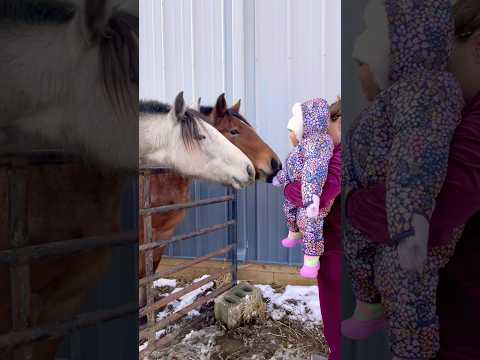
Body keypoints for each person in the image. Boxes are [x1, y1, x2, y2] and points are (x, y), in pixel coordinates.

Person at [346, 1, 480, 358]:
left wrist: (352, 203)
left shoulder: (442, 99)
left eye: (450, 51)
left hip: (464, 330)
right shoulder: (445, 102)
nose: (443, 62)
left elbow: (435, 207)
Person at [283, 97, 342, 360]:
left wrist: (288, 188)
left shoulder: (341, 155)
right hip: (329, 248)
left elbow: (317, 193)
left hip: (341, 249)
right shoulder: (327, 150)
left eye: (331, 122)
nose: (325, 130)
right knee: (332, 317)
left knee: (339, 316)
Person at [272, 98, 334, 278]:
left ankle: (311, 262)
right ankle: (293, 233)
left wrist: (310, 198)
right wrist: (280, 177)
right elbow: (291, 167)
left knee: (309, 221)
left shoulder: (318, 145)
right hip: (299, 191)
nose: (290, 135)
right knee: (288, 209)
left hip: (311, 198)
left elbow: (312, 172)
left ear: (303, 128)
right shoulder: (301, 147)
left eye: (292, 131)